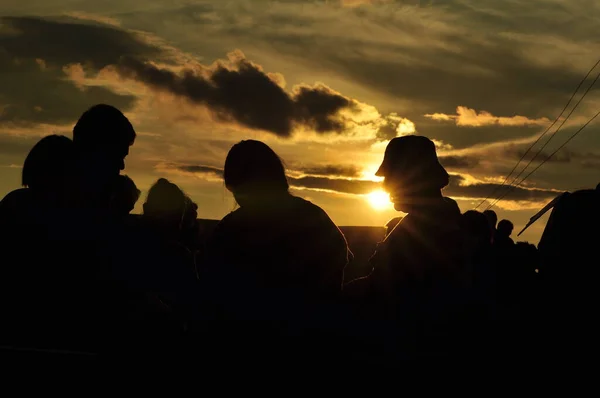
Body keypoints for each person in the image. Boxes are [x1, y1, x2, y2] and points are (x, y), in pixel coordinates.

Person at [203, 140, 351, 354]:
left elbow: (214, 290)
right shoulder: (314, 217)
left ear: (234, 184)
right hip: (315, 341)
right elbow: (337, 269)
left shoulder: (229, 230)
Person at [348, 135, 471, 359]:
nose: (385, 186)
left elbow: (392, 292)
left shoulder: (429, 226)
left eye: (391, 176)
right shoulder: (435, 219)